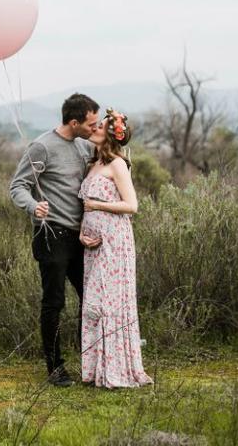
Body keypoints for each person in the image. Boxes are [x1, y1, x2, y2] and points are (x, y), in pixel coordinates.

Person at [8, 93, 100, 387]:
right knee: (54, 302)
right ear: (74, 122)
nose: (94, 128)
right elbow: (17, 186)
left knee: (92, 298)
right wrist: (33, 206)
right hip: (52, 235)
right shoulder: (42, 147)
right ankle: (55, 367)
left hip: (81, 237)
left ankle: (94, 359)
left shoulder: (86, 145)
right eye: (91, 123)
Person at [78, 108, 153, 388]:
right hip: (93, 245)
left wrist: (97, 205)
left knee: (110, 303)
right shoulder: (94, 164)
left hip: (115, 242)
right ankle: (95, 369)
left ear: (109, 134)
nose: (94, 128)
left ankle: (116, 370)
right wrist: (83, 236)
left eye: (100, 126)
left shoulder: (118, 165)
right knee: (94, 305)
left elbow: (131, 206)